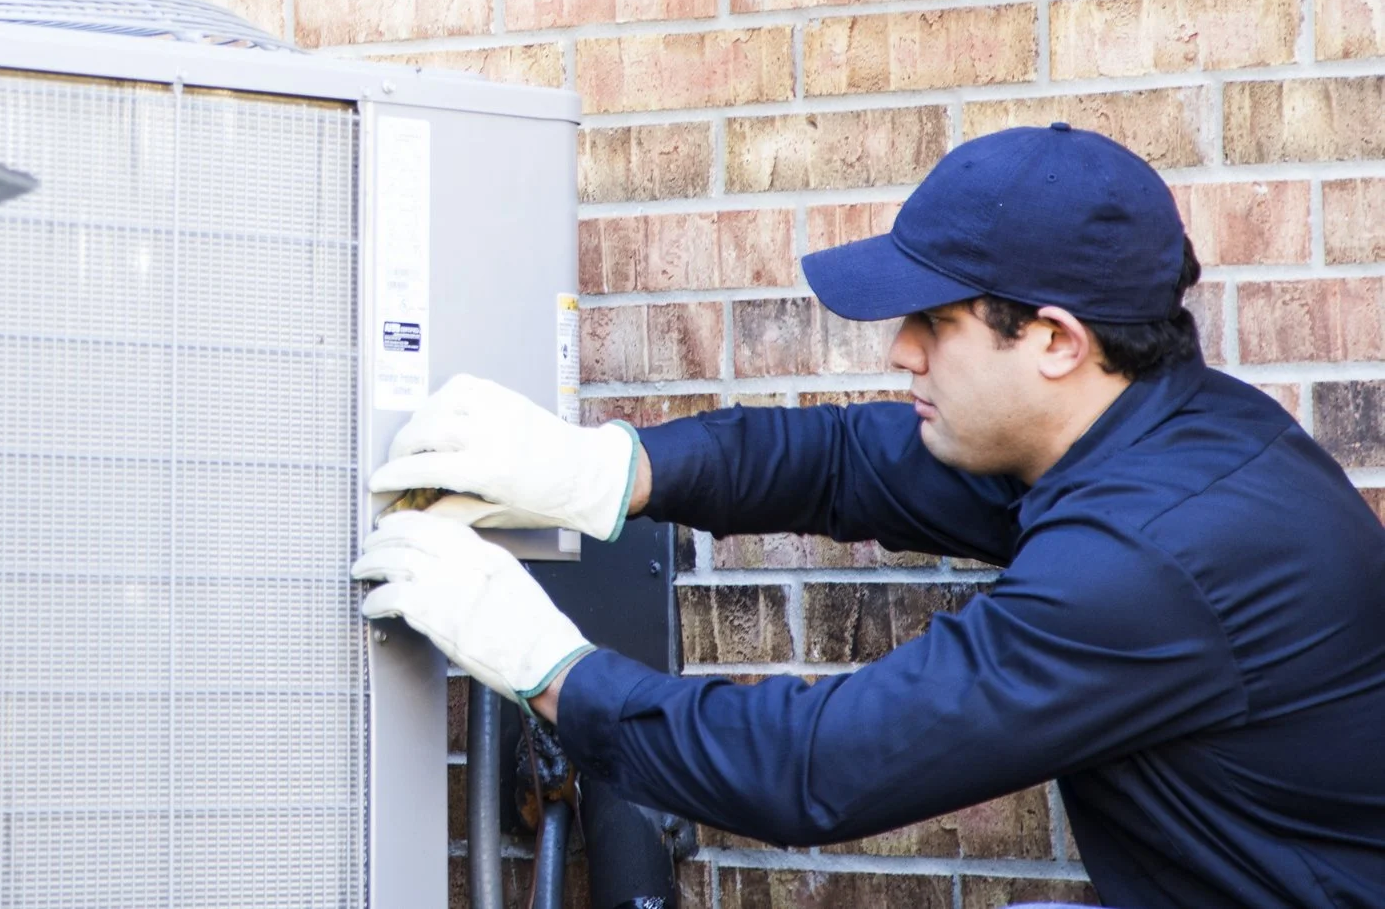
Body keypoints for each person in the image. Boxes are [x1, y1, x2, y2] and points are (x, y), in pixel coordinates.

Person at [356, 124, 1385, 909]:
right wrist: (605, 467)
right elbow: (847, 458)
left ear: (1056, 340)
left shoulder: (1154, 554)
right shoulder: (1155, 426)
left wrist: (551, 668)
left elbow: (817, 768)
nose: (900, 350)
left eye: (933, 322)